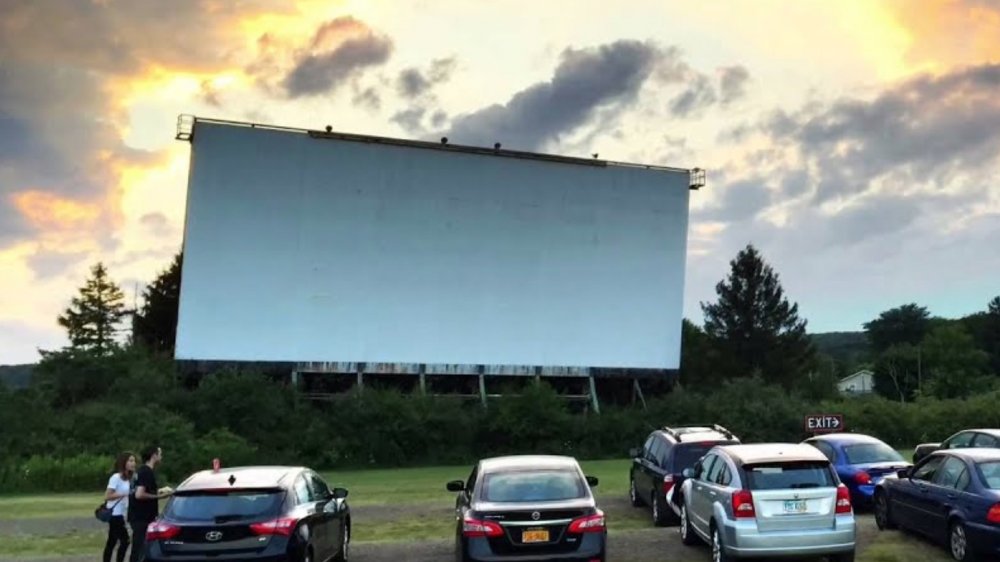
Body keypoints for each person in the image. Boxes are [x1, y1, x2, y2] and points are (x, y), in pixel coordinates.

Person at [129, 445, 173, 562]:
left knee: (141, 547)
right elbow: (139, 494)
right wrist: (161, 496)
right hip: (141, 517)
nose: (161, 456)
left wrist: (159, 490)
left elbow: (142, 490)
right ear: (154, 455)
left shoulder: (142, 471)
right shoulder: (146, 472)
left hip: (138, 516)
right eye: (160, 454)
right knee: (139, 549)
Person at [103, 452, 135, 562]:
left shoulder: (129, 479)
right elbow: (107, 496)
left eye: (134, 461)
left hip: (121, 513)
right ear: (124, 462)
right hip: (115, 514)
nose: (133, 463)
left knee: (112, 541)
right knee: (125, 540)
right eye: (130, 461)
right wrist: (124, 494)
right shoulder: (116, 477)